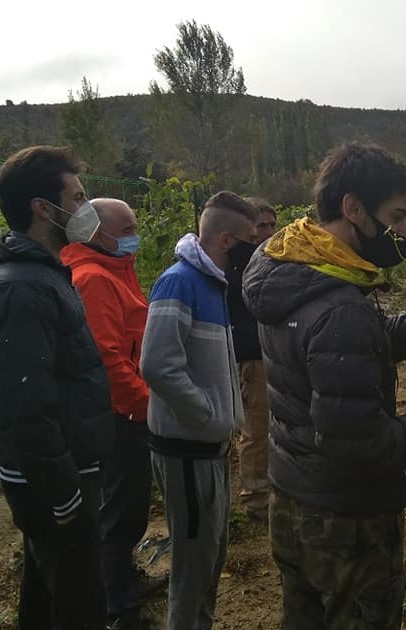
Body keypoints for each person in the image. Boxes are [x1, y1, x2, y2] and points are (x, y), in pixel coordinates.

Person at [242, 142, 406, 629]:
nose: (403, 232)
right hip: (347, 523)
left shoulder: (290, 271)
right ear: (354, 208)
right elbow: (358, 445)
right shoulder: (338, 305)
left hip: (294, 498)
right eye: (398, 217)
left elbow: (366, 342)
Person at [0, 146, 114, 630]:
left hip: (61, 474)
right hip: (53, 483)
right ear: (43, 208)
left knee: (47, 598)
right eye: (78, 196)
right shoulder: (25, 289)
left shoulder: (47, 276)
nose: (87, 207)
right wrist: (65, 495)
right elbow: (26, 407)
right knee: (78, 604)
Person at [140, 191, 256, 630]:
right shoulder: (179, 282)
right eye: (249, 240)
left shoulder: (214, 284)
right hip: (187, 450)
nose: (255, 249)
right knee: (192, 567)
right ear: (227, 240)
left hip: (207, 449)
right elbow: (156, 364)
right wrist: (209, 415)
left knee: (210, 554)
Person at [60, 198, 166, 629]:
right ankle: (119, 609)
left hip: (126, 410)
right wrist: (144, 406)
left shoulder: (115, 270)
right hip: (119, 415)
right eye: (127, 228)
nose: (133, 235)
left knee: (127, 507)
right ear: (98, 234)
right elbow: (108, 359)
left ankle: (122, 581)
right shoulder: (94, 279)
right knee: (120, 512)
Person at [225, 197, 277, 520]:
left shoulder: (266, 258)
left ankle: (265, 486)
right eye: (262, 226)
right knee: (256, 425)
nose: (270, 231)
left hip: (267, 351)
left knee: (267, 423)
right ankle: (255, 497)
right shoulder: (241, 263)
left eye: (273, 223)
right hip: (252, 355)